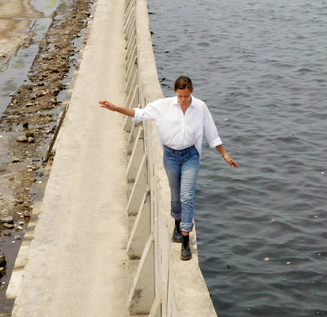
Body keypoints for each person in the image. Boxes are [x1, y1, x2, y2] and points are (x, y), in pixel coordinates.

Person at [99, 76, 239, 261]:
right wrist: (116, 108)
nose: (184, 100)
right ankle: (177, 223)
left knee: (187, 196)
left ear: (191, 93)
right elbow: (140, 113)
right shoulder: (163, 106)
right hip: (171, 156)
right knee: (175, 195)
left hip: (191, 156)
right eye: (180, 96)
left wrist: (225, 154)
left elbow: (212, 134)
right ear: (175, 93)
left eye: (187, 96)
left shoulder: (200, 107)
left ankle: (186, 239)